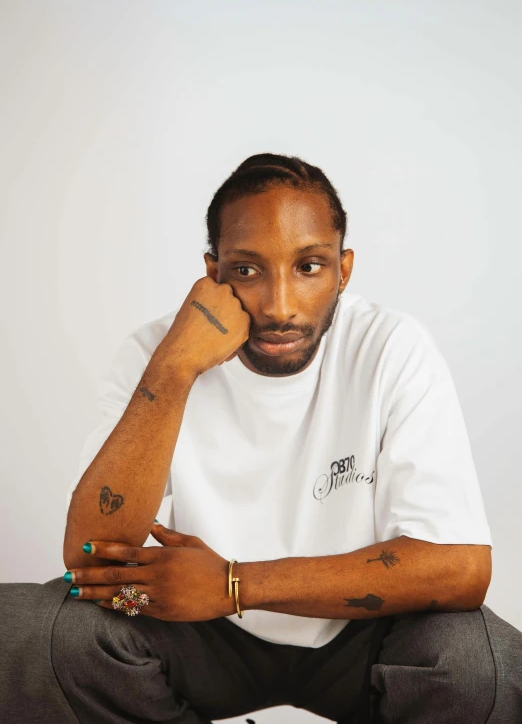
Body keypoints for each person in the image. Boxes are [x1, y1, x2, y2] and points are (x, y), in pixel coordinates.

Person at [1, 153, 521, 724]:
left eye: (309, 267)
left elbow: (462, 570)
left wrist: (234, 584)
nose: (279, 307)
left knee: (477, 660)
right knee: (34, 629)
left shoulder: (391, 348)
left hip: (363, 639)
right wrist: (173, 370)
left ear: (343, 270)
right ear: (212, 271)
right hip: (197, 630)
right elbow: (88, 559)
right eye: (247, 270)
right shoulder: (157, 353)